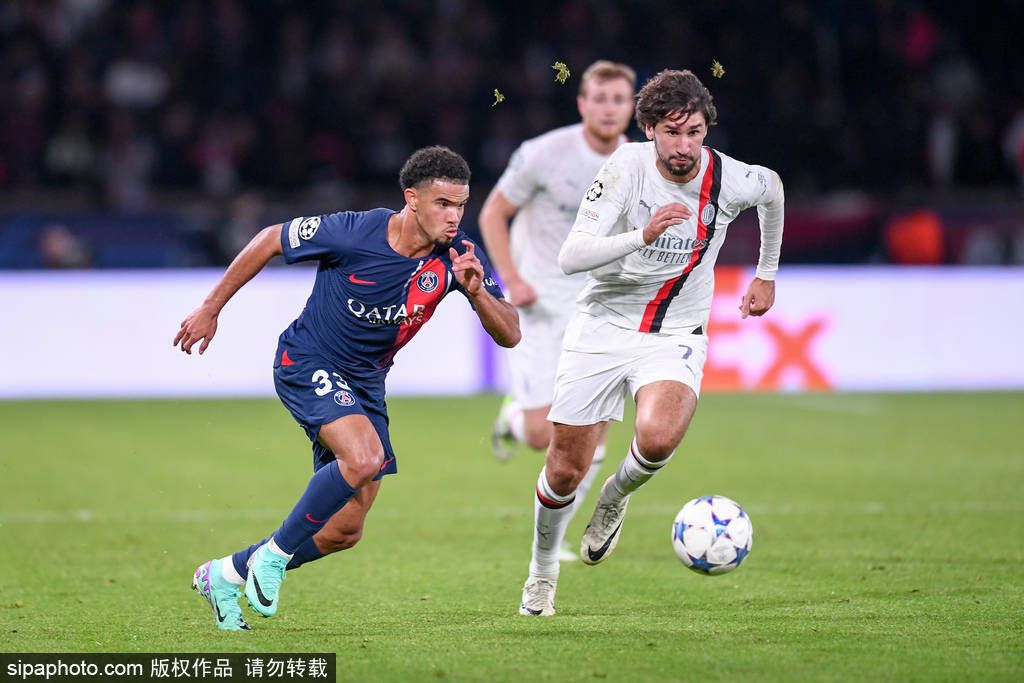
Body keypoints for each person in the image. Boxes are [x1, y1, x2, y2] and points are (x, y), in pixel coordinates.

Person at [174, 146, 520, 630]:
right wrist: (211, 308)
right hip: (307, 359)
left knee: (345, 528)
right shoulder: (356, 231)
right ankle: (272, 558)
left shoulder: (459, 257)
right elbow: (271, 239)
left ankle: (227, 573)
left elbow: (511, 334)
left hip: (366, 383)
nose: (453, 216)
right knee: (363, 458)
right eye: (443, 203)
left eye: (460, 205)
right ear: (412, 199)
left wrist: (479, 291)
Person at [518, 69, 784, 616]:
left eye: (693, 132)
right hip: (602, 326)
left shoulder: (730, 178)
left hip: (674, 334)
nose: (683, 146)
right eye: (670, 132)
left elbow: (773, 189)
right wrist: (643, 235)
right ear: (648, 130)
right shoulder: (624, 170)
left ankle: (614, 498)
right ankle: (542, 572)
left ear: (707, 129)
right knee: (565, 469)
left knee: (658, 438)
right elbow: (571, 257)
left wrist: (767, 273)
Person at [480, 60, 635, 561]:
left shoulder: (643, 161)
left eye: (619, 100)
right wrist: (511, 278)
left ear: (631, 107)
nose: (610, 109)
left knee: (594, 430)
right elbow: (493, 213)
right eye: (601, 99)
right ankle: (513, 416)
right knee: (541, 434)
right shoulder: (543, 154)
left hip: (603, 308)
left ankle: (562, 534)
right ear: (582, 103)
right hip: (542, 304)